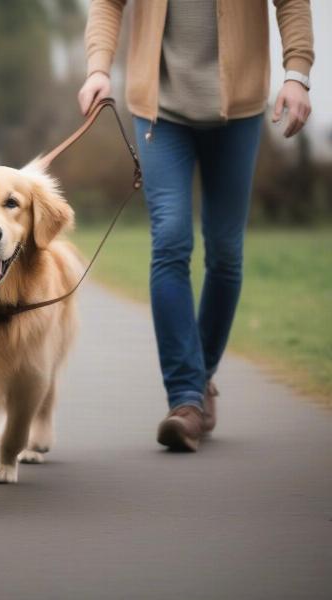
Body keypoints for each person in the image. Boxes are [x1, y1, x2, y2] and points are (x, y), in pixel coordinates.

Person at [79, 0, 314, 451]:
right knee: (169, 240)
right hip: (158, 112)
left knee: (225, 251)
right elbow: (108, 4)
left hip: (238, 112)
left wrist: (296, 74)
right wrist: (98, 68)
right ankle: (186, 400)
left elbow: (293, 3)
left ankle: (200, 377)